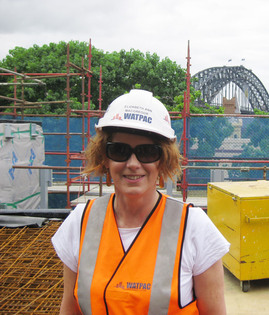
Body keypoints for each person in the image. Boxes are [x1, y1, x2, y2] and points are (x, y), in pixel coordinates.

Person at [52, 89, 230, 314]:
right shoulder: (81, 222)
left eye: (146, 152)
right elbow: (70, 308)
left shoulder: (194, 227)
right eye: (119, 150)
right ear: (105, 158)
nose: (133, 163)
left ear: (162, 160)